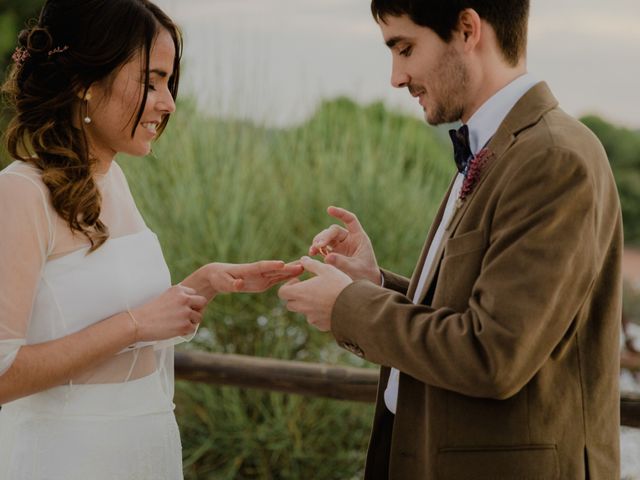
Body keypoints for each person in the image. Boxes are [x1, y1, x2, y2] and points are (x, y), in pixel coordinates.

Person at [279, 1, 622, 478]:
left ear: (466, 30)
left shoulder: (554, 158)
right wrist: (372, 284)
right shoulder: (497, 146)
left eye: (405, 48)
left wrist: (348, 306)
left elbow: (492, 355)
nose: (396, 77)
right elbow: (472, 312)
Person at [0, 1, 301, 479]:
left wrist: (202, 286)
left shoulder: (113, 179)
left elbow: (115, 329)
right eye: (151, 80)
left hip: (144, 447)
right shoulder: (20, 193)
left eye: (169, 82)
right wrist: (136, 323)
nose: (168, 103)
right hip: (68, 458)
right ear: (84, 82)